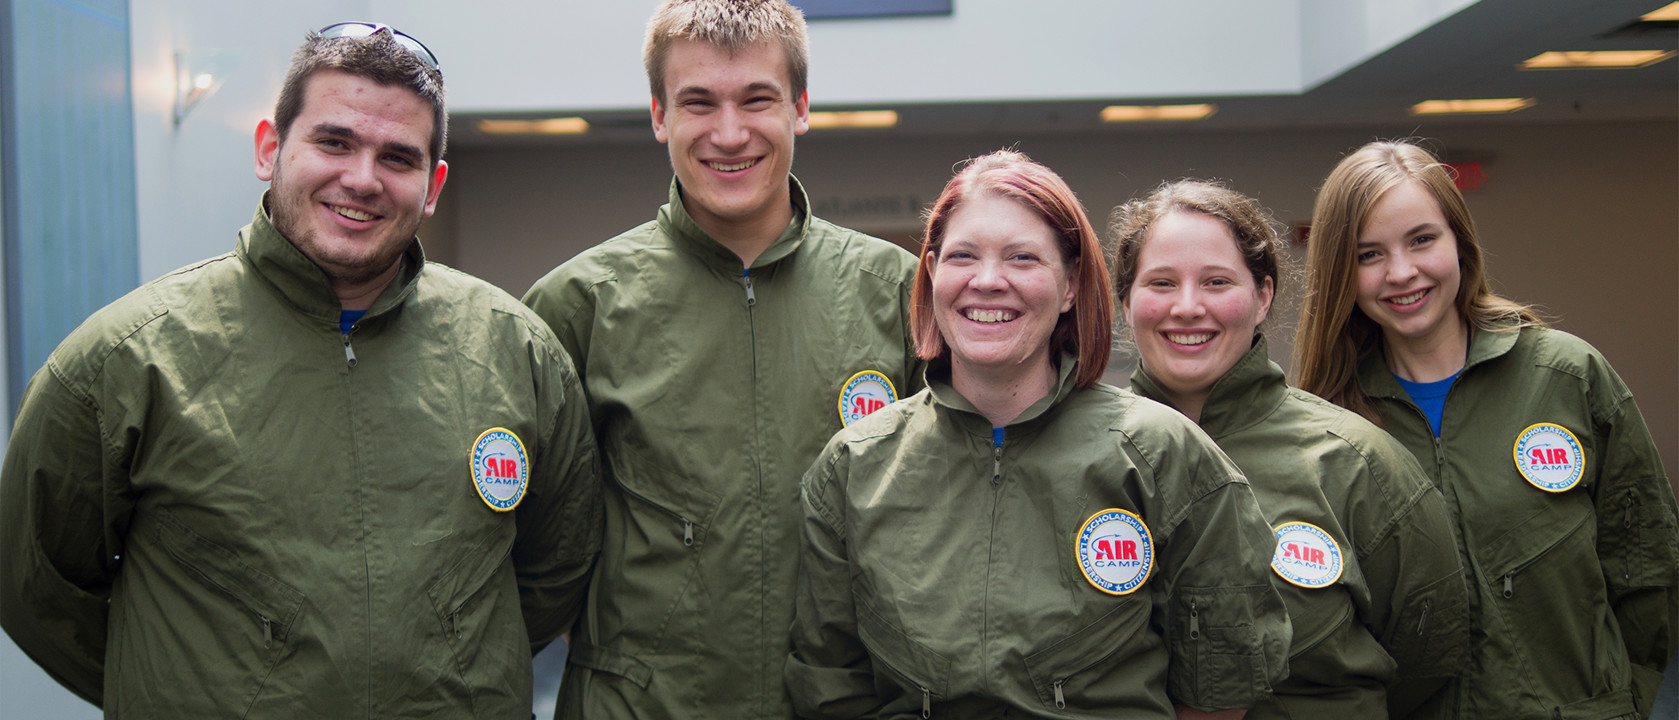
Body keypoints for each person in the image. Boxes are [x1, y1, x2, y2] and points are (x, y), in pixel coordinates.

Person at [0, 23, 602, 717]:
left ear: (431, 185)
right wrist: (188, 683)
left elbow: (555, 564)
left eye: (398, 157)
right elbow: (36, 585)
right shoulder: (125, 360)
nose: (362, 179)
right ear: (269, 148)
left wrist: (445, 666)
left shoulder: (515, 352)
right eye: (334, 141)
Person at [785, 150, 1290, 719]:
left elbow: (1217, 693)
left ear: (1071, 285)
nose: (988, 281)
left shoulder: (1164, 455)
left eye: (1023, 258)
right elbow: (832, 686)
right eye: (963, 256)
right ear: (930, 276)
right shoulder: (855, 466)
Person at [519, 1, 920, 717]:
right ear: (657, 115)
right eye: (697, 102)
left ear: (799, 107)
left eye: (756, 100)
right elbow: (531, 552)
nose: (728, 133)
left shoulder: (895, 293)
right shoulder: (576, 305)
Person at [1292, 140, 1679, 719]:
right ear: (1340, 272)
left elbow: (1645, 565)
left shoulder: (1567, 375)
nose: (1402, 272)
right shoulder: (1326, 425)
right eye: (1368, 254)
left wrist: (1622, 703)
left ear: (1460, 242)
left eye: (1422, 239)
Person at [1109, 179, 1470, 719]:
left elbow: (1428, 662)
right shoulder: (1086, 456)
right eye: (1161, 282)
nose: (1187, 307)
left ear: (1262, 298)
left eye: (1216, 281)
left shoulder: (1357, 462)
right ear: (1124, 301)